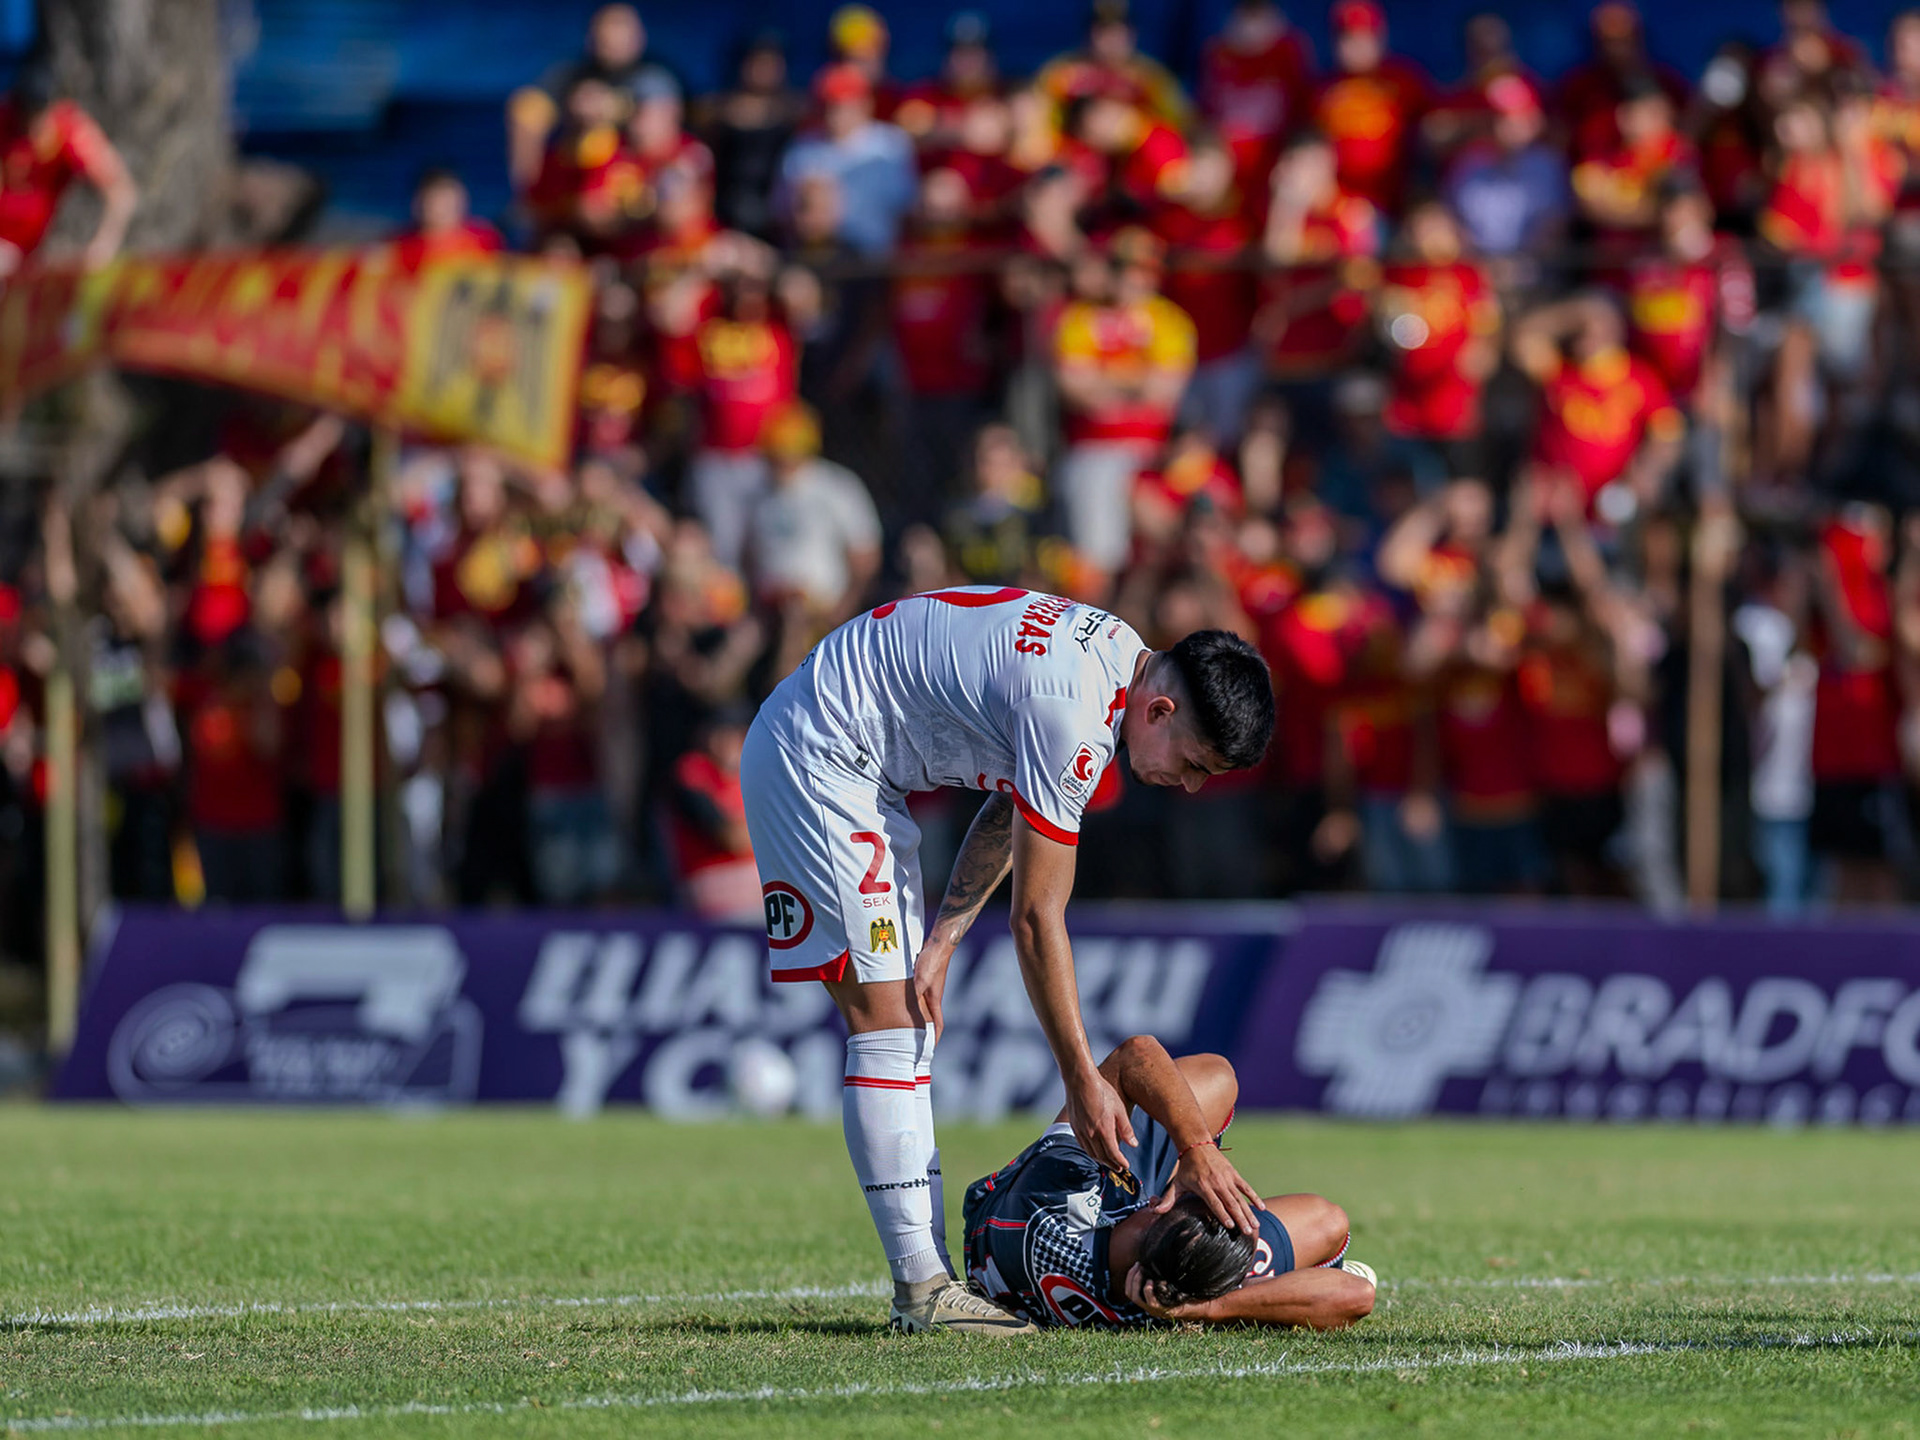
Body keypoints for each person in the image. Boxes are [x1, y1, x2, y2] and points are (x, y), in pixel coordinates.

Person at [741, 593, 1275, 1334]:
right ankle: (923, 1290)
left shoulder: (1115, 657)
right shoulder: (1077, 712)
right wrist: (1082, 1079)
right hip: (823, 756)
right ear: (1159, 713)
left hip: (856, 765)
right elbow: (1035, 917)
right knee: (889, 1025)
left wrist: (945, 938)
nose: (1187, 786)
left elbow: (1013, 803)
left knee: (908, 1025)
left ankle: (927, 1284)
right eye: (1192, 764)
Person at [963, 1034, 1377, 1329]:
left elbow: (1135, 1053)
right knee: (1328, 1223)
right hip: (1085, 1263)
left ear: (1159, 1202)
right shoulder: (1149, 1304)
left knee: (1214, 1077)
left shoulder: (1062, 1187)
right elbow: (1358, 1294)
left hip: (1012, 1227)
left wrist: (1195, 1149)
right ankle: (1270, 1289)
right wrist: (1214, 1309)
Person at [0, 60, 137, 275]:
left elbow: (121, 190)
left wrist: (104, 245)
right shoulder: (4, 120)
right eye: (26, 114)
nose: (33, 125)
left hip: (41, 256)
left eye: (39, 114)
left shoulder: (70, 129)